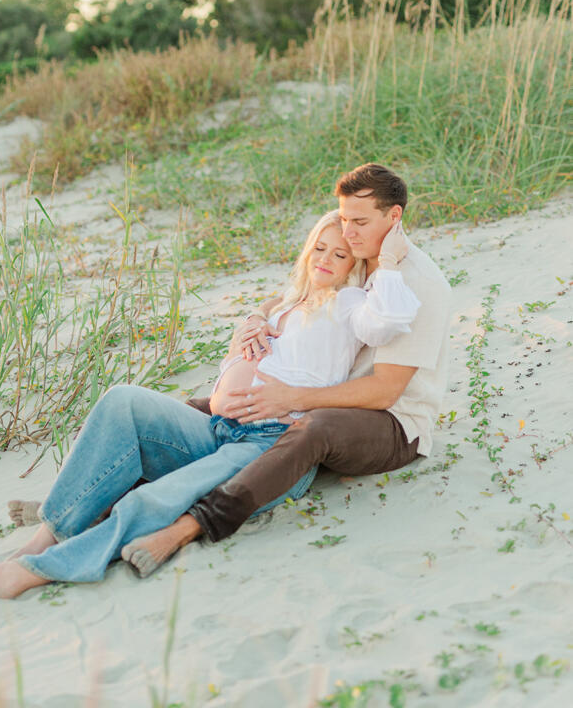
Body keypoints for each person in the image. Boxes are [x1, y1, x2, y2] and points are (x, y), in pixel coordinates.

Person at [0, 206, 419, 598]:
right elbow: (265, 318)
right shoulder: (288, 302)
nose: (325, 258)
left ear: (353, 263)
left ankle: (30, 573)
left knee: (157, 497)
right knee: (122, 400)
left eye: (339, 253)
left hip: (269, 447)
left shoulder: (353, 305)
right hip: (219, 428)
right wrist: (251, 324)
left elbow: (390, 322)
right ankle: (44, 535)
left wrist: (391, 262)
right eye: (319, 247)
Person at [119, 162, 452, 568]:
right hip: (323, 394)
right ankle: (110, 501)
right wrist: (256, 320)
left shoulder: (418, 283)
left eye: (359, 222)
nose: (347, 232)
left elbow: (385, 390)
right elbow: (290, 299)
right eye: (344, 219)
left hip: (393, 423)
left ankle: (189, 526)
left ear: (394, 217)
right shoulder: (359, 254)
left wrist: (292, 397)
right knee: (203, 408)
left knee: (312, 427)